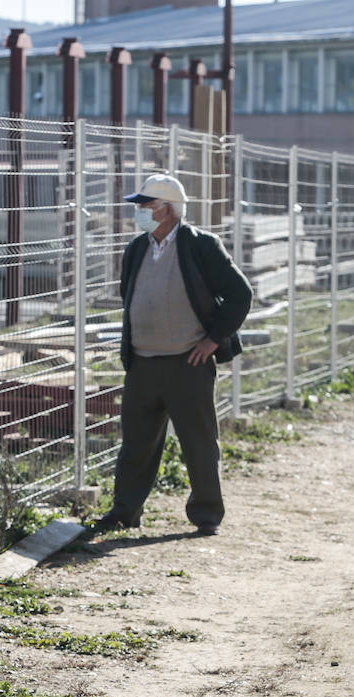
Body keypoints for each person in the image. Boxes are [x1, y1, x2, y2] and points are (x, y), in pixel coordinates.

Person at [95, 174, 252, 537]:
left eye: (147, 205)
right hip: (143, 363)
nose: (140, 212)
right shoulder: (137, 248)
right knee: (136, 443)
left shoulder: (202, 246)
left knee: (198, 441)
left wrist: (212, 340)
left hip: (188, 363)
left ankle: (207, 513)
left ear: (168, 209)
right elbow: (129, 294)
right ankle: (125, 510)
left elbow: (240, 294)